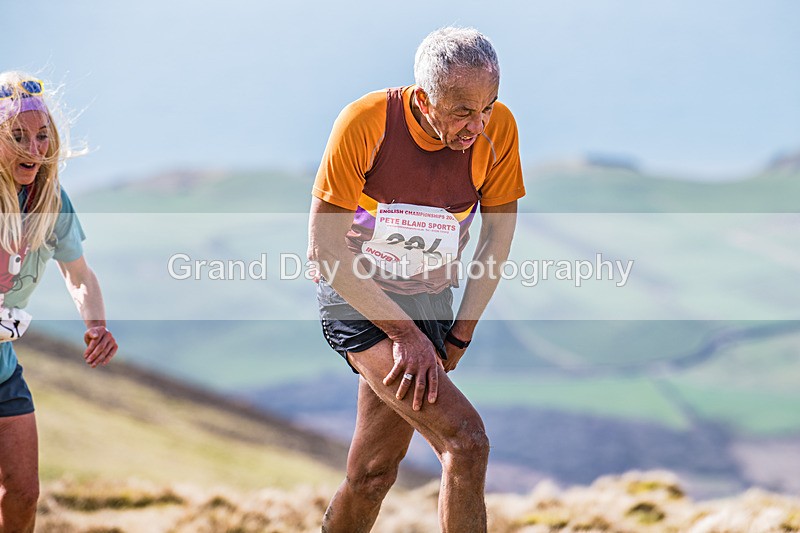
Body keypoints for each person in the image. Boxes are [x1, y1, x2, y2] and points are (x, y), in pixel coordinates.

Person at [307, 27, 525, 532]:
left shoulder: (499, 128)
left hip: (430, 299)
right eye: (461, 111)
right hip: (356, 296)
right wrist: (405, 335)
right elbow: (325, 251)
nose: (477, 125)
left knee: (372, 474)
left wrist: (461, 331)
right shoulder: (365, 123)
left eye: (487, 107)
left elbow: (496, 239)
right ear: (425, 98)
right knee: (465, 441)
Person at [0, 71, 117, 531]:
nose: (35, 148)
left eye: (43, 136)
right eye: (18, 137)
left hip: (4, 369)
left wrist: (96, 325)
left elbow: (79, 274)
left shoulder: (52, 201)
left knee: (24, 493)